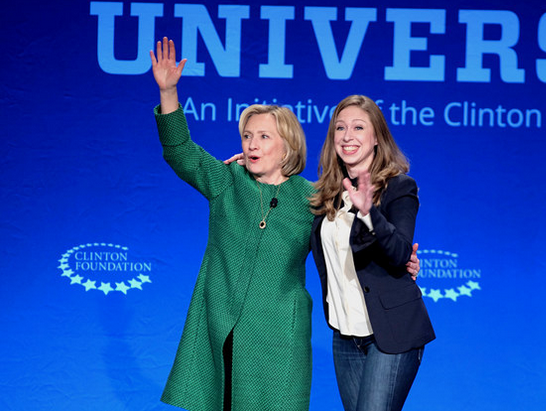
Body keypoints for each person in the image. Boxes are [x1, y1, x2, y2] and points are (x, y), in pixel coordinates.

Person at [150, 37, 316, 410]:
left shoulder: (313, 199)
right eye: (247, 136)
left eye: (263, 137)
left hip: (279, 339)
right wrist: (169, 92)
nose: (252, 144)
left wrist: (400, 262)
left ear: (288, 145)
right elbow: (181, 152)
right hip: (220, 329)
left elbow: (345, 248)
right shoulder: (228, 181)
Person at [309, 95, 436, 411]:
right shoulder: (325, 195)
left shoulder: (399, 187)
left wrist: (369, 213)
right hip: (344, 337)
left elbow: (400, 253)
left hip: (391, 332)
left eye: (358, 127)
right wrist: (249, 172)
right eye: (340, 128)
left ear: (377, 137)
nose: (347, 136)